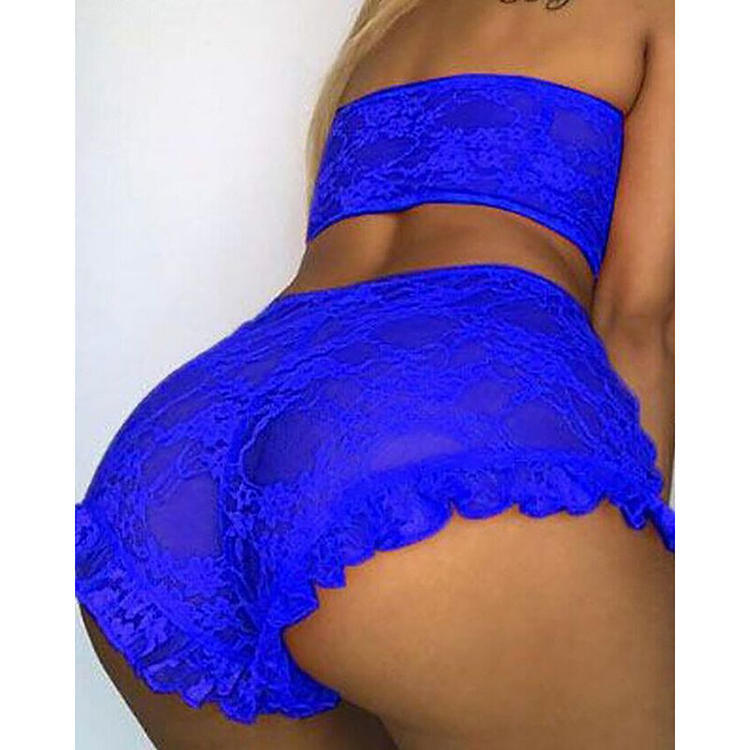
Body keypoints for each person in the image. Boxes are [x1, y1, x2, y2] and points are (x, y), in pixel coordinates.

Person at [76, 1, 675, 748]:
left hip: (179, 462)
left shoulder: (391, 20)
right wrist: (631, 552)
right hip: (430, 416)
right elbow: (640, 320)